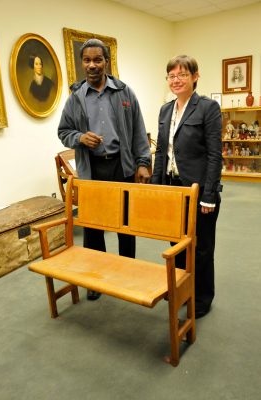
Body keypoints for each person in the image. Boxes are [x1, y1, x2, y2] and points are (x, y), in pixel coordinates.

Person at [58, 39, 151, 300]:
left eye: (97, 60)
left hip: (121, 167)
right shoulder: (75, 97)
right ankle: (95, 280)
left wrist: (142, 163)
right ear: (82, 63)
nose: (92, 65)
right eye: (86, 60)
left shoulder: (124, 93)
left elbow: (137, 132)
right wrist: (79, 138)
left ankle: (128, 274)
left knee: (125, 224)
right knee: (93, 227)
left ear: (106, 62)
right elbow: (63, 132)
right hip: (92, 169)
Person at [151, 55, 222, 319]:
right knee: (177, 244)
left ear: (195, 76)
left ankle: (203, 298)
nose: (176, 80)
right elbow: (160, 152)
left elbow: (215, 155)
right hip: (172, 189)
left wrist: (209, 195)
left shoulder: (208, 108)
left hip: (198, 191)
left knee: (201, 247)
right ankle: (183, 287)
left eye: (182, 74)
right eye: (171, 75)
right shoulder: (165, 110)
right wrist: (157, 190)